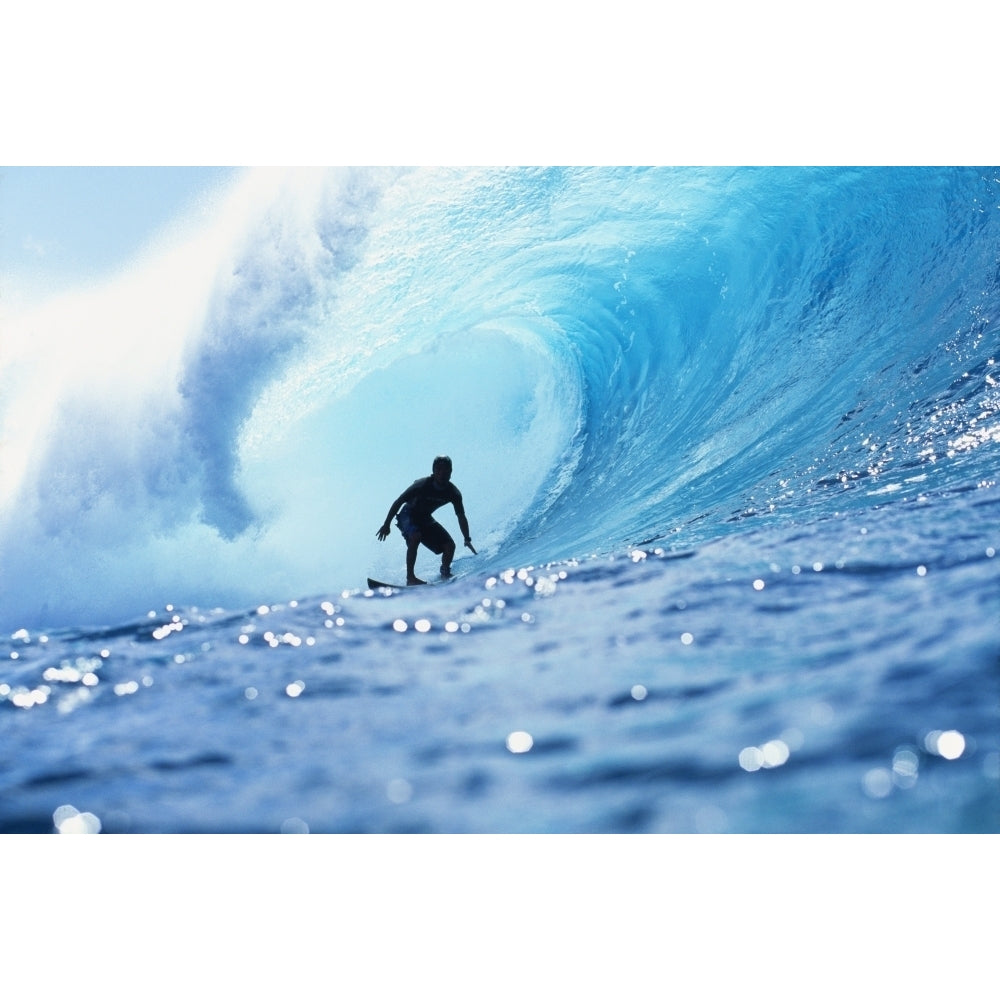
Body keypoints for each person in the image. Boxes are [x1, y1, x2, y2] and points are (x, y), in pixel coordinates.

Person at [376, 456, 475, 585]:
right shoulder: (422, 485)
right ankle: (410, 578)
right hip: (408, 515)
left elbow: (461, 516)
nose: (442, 473)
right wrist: (386, 524)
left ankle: (445, 573)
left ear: (451, 472)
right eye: (438, 469)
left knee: (450, 546)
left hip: (425, 519)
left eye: (446, 470)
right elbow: (399, 501)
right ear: (433, 471)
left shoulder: (453, 493)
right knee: (415, 536)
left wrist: (467, 538)